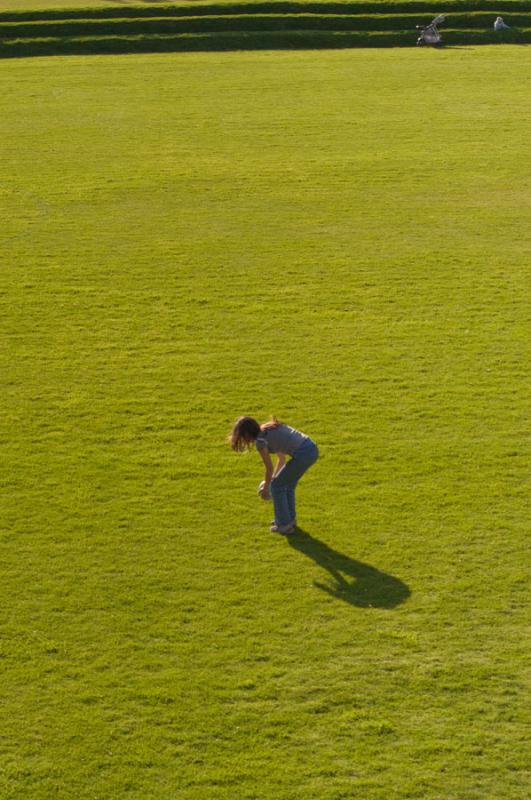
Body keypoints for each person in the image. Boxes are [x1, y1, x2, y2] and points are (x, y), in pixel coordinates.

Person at [229, 416, 319, 535]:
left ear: (247, 434)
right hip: (311, 448)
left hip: (304, 453)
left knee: (277, 487)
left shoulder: (261, 442)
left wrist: (267, 487)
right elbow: (281, 459)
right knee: (286, 485)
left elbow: (269, 468)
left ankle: (284, 525)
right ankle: (288, 520)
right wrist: (271, 482)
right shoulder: (268, 429)